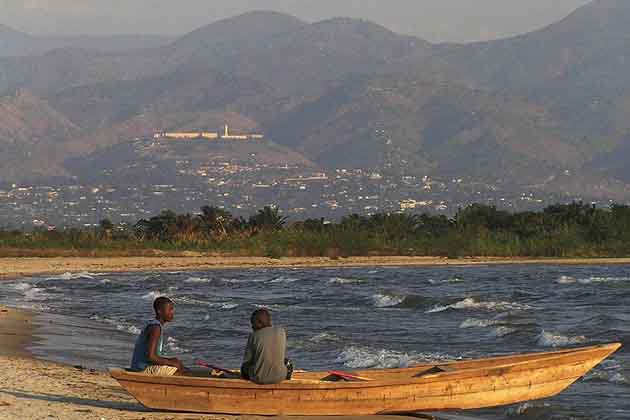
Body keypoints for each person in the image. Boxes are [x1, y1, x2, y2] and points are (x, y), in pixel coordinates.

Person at [130, 296, 184, 375]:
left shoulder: (154, 324)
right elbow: (151, 357)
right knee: (177, 368)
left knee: (176, 363)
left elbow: (152, 356)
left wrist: (171, 360)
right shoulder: (156, 328)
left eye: (172, 309)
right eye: (170, 309)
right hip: (142, 369)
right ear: (159, 311)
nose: (172, 312)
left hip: (140, 366)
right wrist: (172, 363)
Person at [241, 308, 293, 384]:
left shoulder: (254, 336)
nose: (252, 327)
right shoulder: (281, 332)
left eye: (253, 323)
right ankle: (286, 380)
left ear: (259, 322)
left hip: (258, 378)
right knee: (286, 361)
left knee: (244, 367)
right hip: (281, 377)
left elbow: (248, 361)